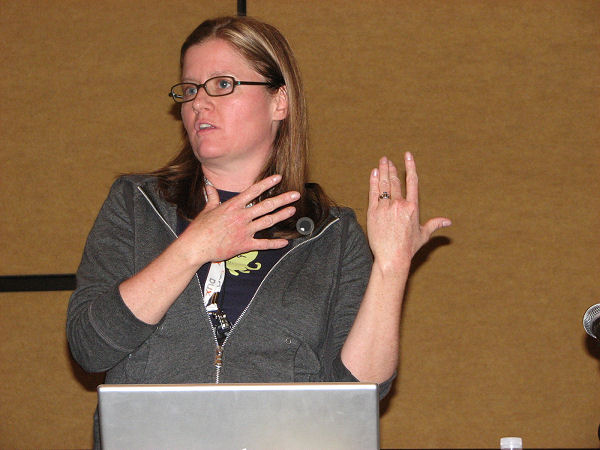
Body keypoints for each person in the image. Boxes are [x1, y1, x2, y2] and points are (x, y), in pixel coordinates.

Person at [67, 16, 451, 447]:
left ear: (279, 102)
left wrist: (392, 268)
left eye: (222, 84)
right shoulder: (136, 204)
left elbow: (357, 392)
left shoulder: (333, 235)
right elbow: (89, 346)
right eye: (190, 89)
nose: (199, 103)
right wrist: (193, 248)